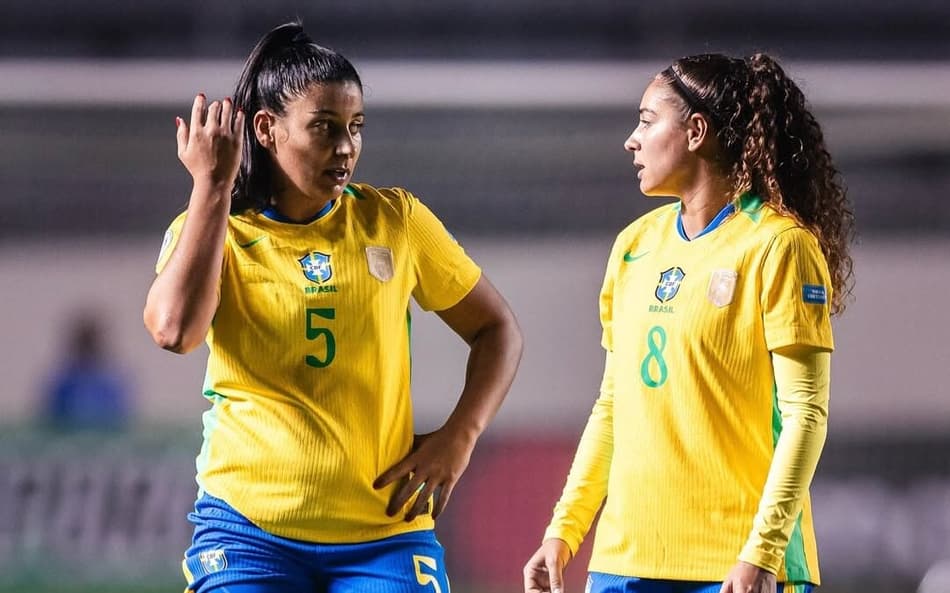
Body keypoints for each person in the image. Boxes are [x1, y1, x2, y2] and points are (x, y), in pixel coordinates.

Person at [143, 21, 523, 593]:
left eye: (355, 128)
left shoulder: (395, 221)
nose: (345, 147)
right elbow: (174, 331)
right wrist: (212, 186)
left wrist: (459, 438)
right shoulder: (215, 231)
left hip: (385, 532)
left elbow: (497, 330)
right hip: (248, 533)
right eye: (324, 128)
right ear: (266, 130)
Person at [523, 53, 854, 593]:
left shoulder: (778, 246)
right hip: (625, 562)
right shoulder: (633, 247)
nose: (631, 139)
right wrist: (564, 530)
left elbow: (806, 416)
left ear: (696, 131)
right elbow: (613, 405)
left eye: (648, 120)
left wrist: (763, 553)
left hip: (736, 566)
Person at [41, 310, 131, 432]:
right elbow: (51, 420)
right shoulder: (63, 383)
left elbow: (120, 419)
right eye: (85, 343)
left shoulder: (111, 384)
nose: (89, 349)